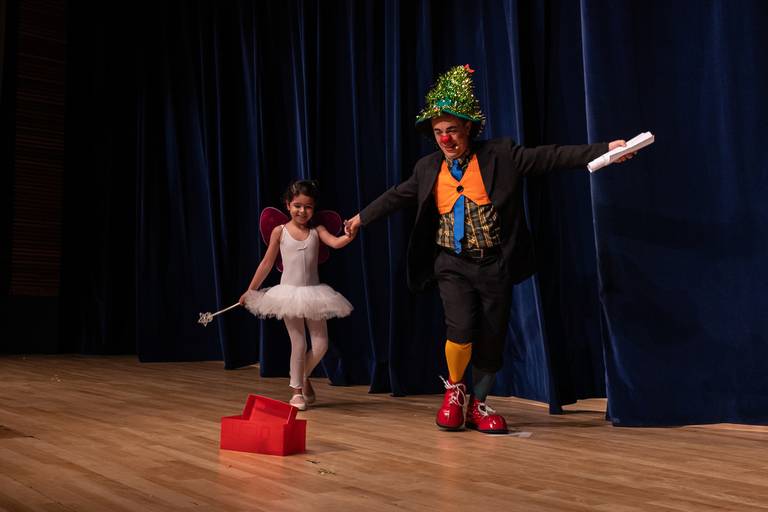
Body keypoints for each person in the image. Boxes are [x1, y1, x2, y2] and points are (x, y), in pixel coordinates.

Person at [344, 64, 633, 434]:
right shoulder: (428, 168)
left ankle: (477, 404)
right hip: (451, 263)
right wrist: (359, 219)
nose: (445, 138)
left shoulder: (501, 155)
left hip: (495, 264)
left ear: (468, 128)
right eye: (439, 132)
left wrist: (605, 151)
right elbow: (396, 196)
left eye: (452, 130)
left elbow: (551, 156)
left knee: (492, 340)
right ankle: (454, 392)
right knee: (460, 328)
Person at [240, 180, 355, 410]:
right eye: (297, 206)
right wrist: (250, 290)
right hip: (288, 296)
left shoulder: (317, 231)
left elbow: (336, 243)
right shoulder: (279, 232)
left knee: (321, 345)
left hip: (314, 294)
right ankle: (297, 392)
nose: (302, 211)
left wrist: (349, 234)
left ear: (314, 208)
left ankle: (301, 375)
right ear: (287, 205)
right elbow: (266, 263)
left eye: (308, 206)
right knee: (299, 343)